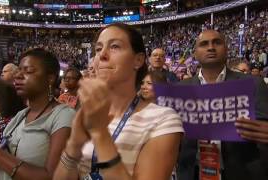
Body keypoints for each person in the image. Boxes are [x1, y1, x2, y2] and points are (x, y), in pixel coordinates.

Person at [54, 23, 184, 180]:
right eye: (98, 49)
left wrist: (100, 134)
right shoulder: (87, 113)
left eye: (114, 46)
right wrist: (73, 146)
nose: (102, 55)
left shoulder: (163, 119)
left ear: (138, 60)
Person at [0, 48, 76, 180]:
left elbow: (52, 176)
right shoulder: (20, 116)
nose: (18, 76)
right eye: (19, 70)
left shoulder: (64, 116)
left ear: (50, 78)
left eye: (28, 71)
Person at [177, 29, 268, 180]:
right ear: (195, 53)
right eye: (204, 44)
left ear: (226, 49)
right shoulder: (181, 88)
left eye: (217, 42)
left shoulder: (254, 84)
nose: (211, 47)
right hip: (193, 172)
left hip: (241, 172)